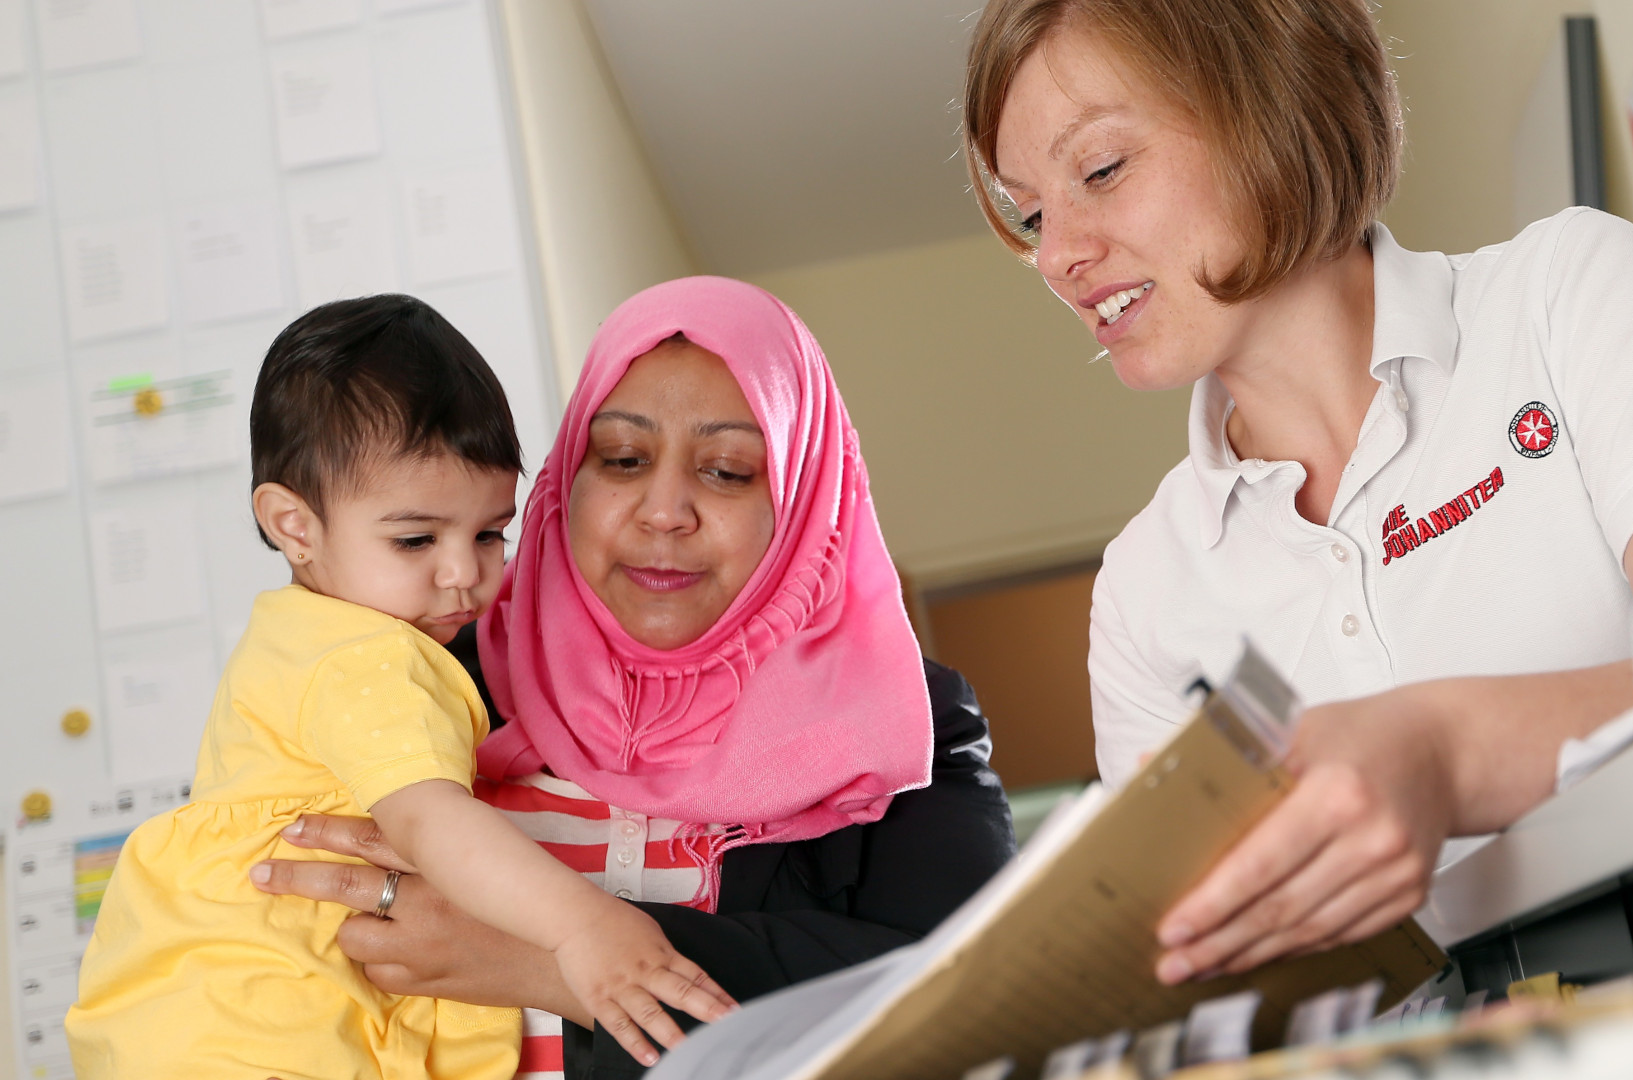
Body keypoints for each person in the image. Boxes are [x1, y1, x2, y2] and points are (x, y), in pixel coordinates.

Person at [962, 0, 1633, 988]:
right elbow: (1206, 985)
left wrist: (1445, 751)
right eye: (1032, 216)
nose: (1057, 255)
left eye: (1102, 170)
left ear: (1273, 100)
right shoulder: (1141, 593)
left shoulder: (1566, 297)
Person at [249, 277, 1018, 1079]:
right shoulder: (425, 681)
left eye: (726, 471)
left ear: (800, 500)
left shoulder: (904, 727)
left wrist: (547, 967)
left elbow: (978, 995)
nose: (664, 511)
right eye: (621, 458)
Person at [65, 295, 734, 1080]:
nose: (463, 575)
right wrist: (585, 929)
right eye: (416, 538)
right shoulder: (367, 656)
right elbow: (430, 824)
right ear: (293, 526)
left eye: (489, 533)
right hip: (263, 1025)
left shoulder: (297, 633)